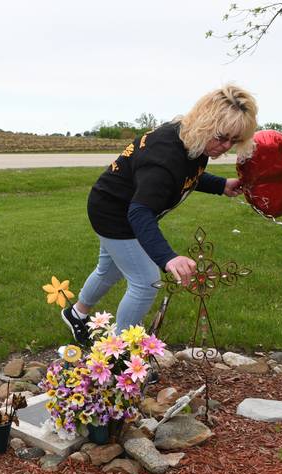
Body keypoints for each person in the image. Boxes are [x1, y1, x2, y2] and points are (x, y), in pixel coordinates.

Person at [62, 84, 258, 344]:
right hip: (115, 213)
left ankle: (76, 314)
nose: (225, 146)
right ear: (204, 123)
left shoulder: (193, 142)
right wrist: (168, 258)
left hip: (115, 202)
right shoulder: (165, 157)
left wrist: (221, 185)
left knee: (109, 270)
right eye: (222, 137)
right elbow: (141, 211)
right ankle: (120, 353)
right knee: (146, 282)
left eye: (234, 141)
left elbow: (185, 175)